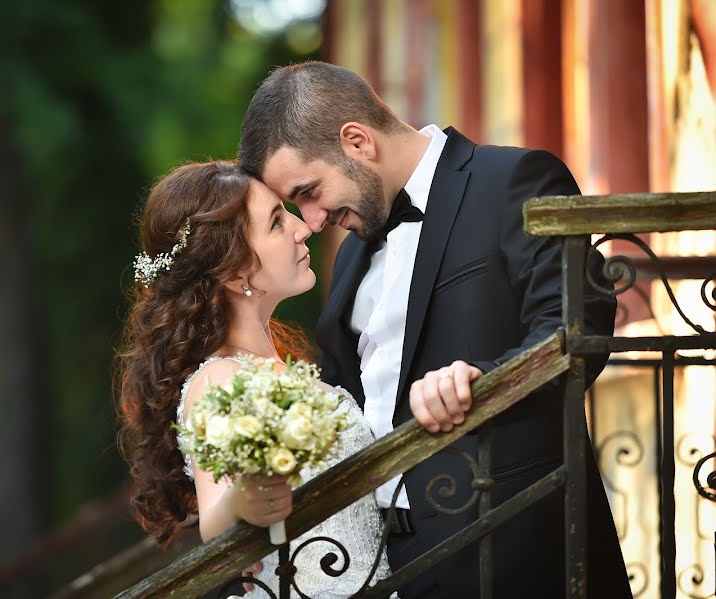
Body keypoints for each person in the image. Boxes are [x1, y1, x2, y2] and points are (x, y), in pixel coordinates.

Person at [238, 61, 632, 598]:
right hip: (381, 566)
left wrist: (479, 381)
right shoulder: (352, 253)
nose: (311, 220)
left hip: (514, 545)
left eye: (309, 191)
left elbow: (576, 328)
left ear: (356, 141)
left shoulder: (512, 180)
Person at [116, 160, 398, 597]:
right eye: (276, 223)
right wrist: (244, 502)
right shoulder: (222, 381)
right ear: (235, 274)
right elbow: (216, 511)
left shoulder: (280, 366)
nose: (303, 228)